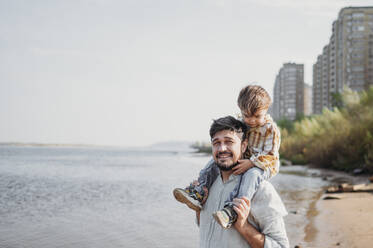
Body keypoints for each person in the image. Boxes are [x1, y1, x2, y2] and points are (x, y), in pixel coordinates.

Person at [174, 85, 281, 228]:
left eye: (257, 116)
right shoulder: (241, 121)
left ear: (266, 110)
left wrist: (251, 162)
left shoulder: (270, 129)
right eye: (246, 115)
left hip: (264, 164)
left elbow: (271, 155)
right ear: (240, 109)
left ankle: (232, 210)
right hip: (244, 159)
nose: (251, 120)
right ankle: (199, 192)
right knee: (214, 161)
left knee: (252, 175)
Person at [198, 116, 288, 247]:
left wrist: (243, 226)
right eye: (216, 143)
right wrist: (197, 208)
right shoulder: (209, 186)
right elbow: (207, 229)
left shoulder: (261, 189)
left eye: (229, 142)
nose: (222, 148)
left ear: (244, 146)